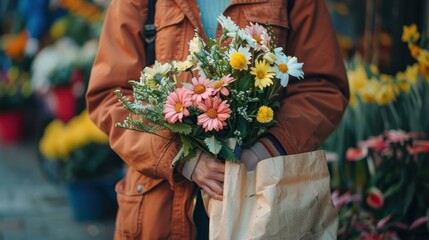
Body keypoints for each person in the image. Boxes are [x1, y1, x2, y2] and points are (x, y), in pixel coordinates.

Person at [86, 0, 349, 239]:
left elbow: (321, 87)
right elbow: (111, 96)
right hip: (161, 208)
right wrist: (181, 156)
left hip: (262, 199)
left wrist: (268, 149)